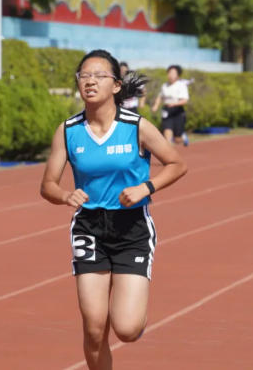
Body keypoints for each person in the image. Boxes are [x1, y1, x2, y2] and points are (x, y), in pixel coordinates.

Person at [40, 49, 187, 369]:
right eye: (84, 76)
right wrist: (65, 195)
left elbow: (177, 164)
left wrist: (146, 188)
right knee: (94, 329)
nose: (90, 82)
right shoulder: (68, 131)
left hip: (131, 229)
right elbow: (47, 185)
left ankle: (133, 315)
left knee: (127, 329)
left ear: (116, 85)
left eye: (99, 76)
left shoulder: (136, 126)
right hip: (89, 228)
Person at [151, 64, 190, 146]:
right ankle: (168, 152)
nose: (171, 75)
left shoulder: (181, 85)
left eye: (173, 73)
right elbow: (160, 97)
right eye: (169, 73)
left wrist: (174, 104)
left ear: (178, 75)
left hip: (178, 112)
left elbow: (185, 100)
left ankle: (183, 137)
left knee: (177, 139)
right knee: (167, 137)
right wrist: (156, 106)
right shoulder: (164, 86)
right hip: (167, 111)